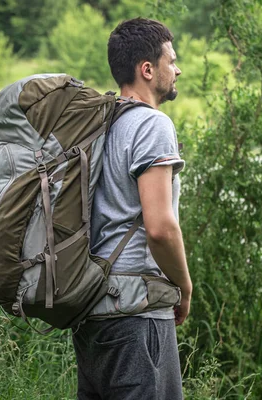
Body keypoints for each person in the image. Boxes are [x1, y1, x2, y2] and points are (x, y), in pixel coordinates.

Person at [71, 18, 192, 400]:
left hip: (92, 310)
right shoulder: (152, 125)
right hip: (137, 312)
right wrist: (184, 286)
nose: (177, 69)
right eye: (171, 61)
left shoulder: (100, 124)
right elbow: (160, 228)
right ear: (147, 69)